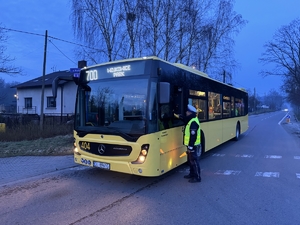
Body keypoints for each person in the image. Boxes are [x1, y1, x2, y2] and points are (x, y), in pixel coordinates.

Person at [175, 104, 201, 183]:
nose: (186, 112)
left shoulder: (193, 122)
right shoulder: (191, 119)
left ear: (190, 113)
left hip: (193, 145)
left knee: (194, 160)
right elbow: (184, 119)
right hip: (191, 145)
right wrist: (177, 116)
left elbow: (193, 136)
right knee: (190, 160)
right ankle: (192, 174)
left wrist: (190, 147)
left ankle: (197, 177)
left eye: (187, 111)